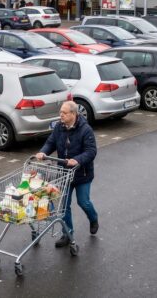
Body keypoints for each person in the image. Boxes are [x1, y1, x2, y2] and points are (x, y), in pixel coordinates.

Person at [35, 101, 99, 248]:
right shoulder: (59, 127)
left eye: (64, 113)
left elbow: (91, 151)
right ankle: (67, 234)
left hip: (82, 174)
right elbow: (51, 142)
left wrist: (77, 160)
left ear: (73, 114)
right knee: (64, 206)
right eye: (60, 113)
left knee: (83, 202)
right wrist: (43, 152)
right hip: (64, 173)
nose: (61, 115)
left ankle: (93, 218)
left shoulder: (86, 130)